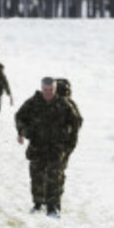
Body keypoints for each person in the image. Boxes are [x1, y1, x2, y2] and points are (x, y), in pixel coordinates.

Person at [15, 76, 82, 217]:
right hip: (37, 146)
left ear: (55, 89)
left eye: (51, 90)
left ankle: (52, 207)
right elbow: (20, 116)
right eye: (45, 89)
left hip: (56, 148)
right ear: (42, 88)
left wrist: (69, 145)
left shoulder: (64, 105)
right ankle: (38, 203)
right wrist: (23, 131)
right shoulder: (34, 102)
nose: (48, 92)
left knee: (54, 176)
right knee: (36, 175)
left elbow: (76, 122)